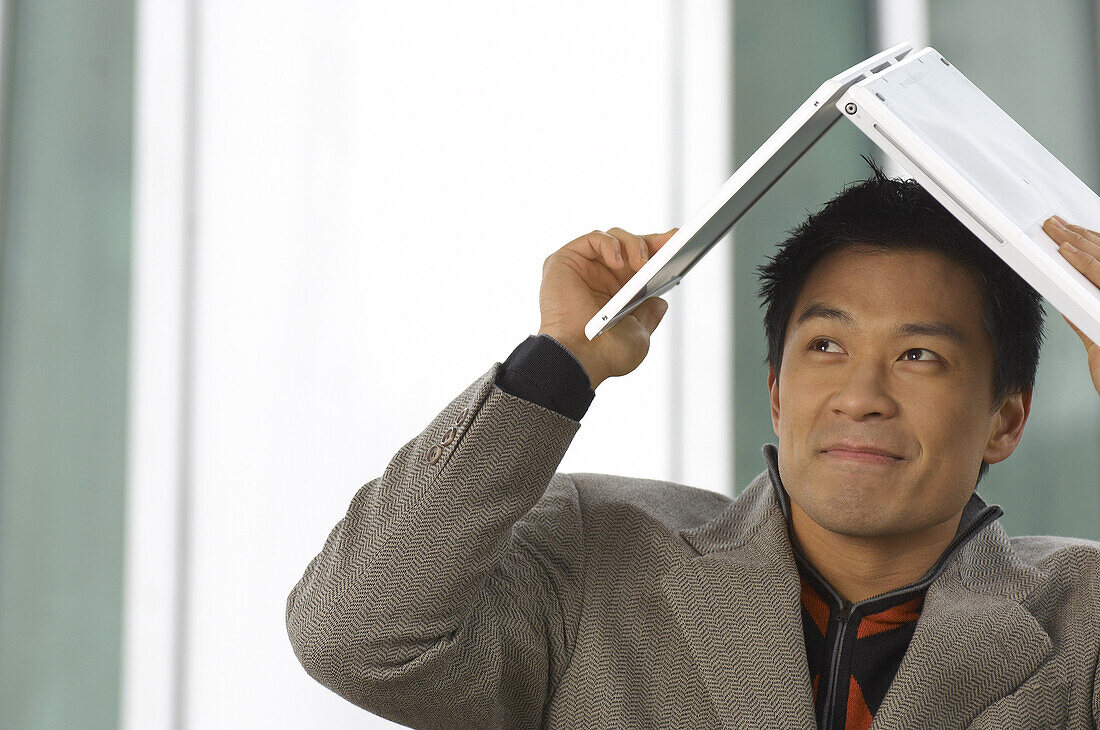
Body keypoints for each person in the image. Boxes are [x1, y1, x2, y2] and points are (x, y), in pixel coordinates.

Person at [286, 161, 1100, 729]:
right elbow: (355, 637)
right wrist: (560, 363)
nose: (861, 395)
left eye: (920, 355)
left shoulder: (1083, 616)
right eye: (825, 346)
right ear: (778, 393)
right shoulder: (595, 551)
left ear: (1006, 418)